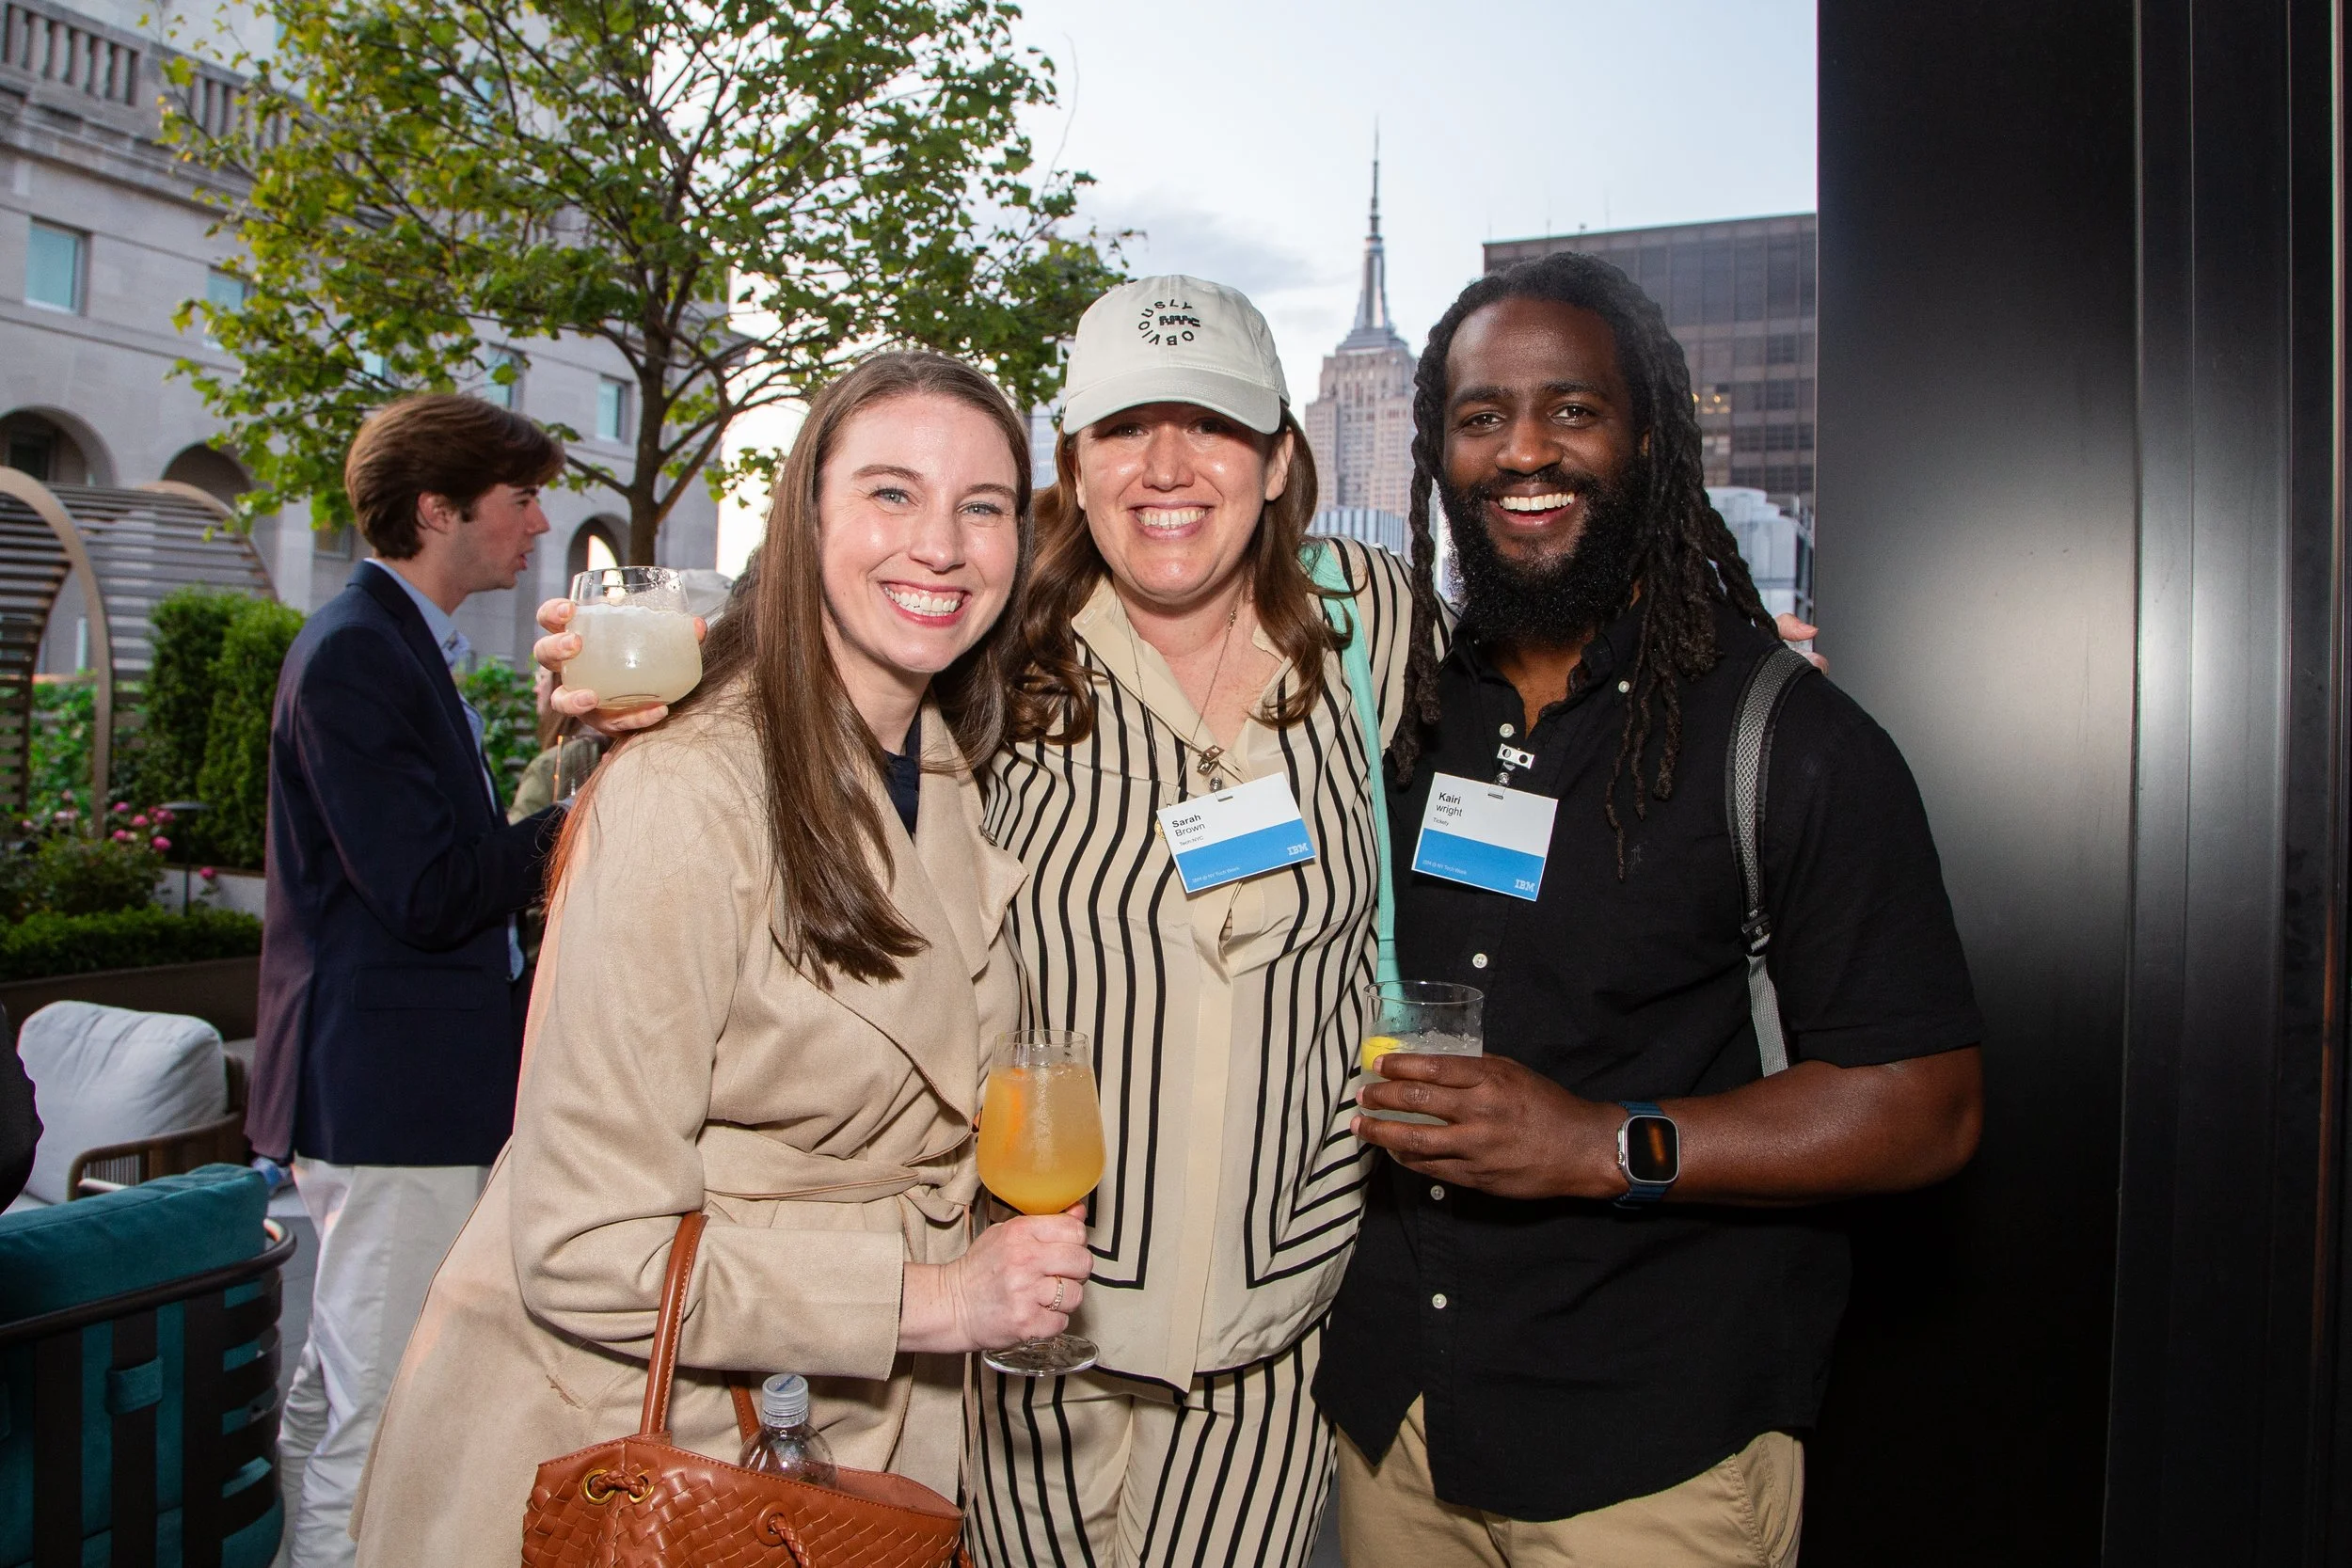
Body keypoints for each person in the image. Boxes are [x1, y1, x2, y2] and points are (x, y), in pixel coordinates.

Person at [351, 352, 1093, 1566]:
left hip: (840, 1430)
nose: (943, 544)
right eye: (891, 493)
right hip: (649, 1448)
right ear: (806, 520)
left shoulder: (943, 765)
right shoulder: (687, 787)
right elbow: (585, 1247)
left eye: (984, 504)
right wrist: (945, 1296)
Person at [1315, 251, 1985, 1566]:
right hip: (1399, 1431)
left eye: (1572, 409)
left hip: (1651, 1458)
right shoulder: (1406, 720)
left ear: (1647, 434)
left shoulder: (1785, 742)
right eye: (1479, 416)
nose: (1523, 450)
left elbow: (1929, 1104)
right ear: (1437, 454)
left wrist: (1602, 1145)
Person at [247, 393, 567, 1568]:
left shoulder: (387, 641)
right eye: (519, 497)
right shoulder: (354, 653)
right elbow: (426, 888)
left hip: (391, 1090)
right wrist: (588, 816)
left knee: (335, 1400)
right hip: (389, 1099)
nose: (539, 522)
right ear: (440, 508)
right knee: (379, 1415)